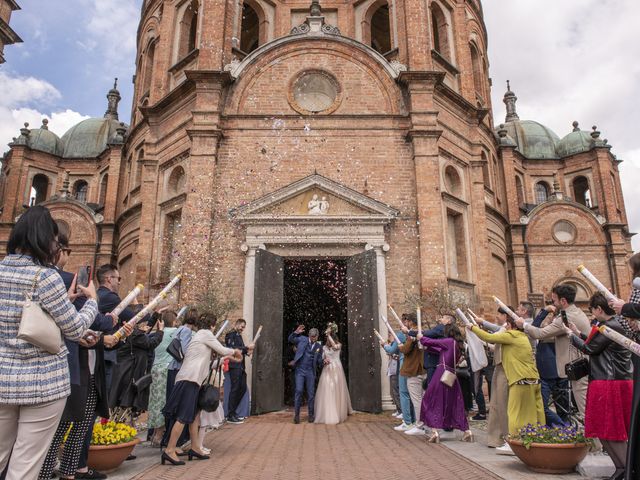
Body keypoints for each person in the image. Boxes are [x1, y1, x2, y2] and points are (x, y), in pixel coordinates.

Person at [0, 206, 99, 479]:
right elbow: (75, 327)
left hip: (2, 380)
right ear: (45, 240)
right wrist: (92, 301)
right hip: (42, 385)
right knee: (25, 464)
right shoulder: (45, 276)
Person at [38, 228, 130, 480]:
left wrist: (101, 335)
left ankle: (70, 471)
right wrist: (107, 318)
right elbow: (85, 323)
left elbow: (83, 329)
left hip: (87, 365)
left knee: (82, 419)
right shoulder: (65, 281)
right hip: (70, 367)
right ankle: (48, 473)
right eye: (67, 251)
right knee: (65, 423)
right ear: (59, 251)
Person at [567, 293, 633, 480]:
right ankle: (621, 468)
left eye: (593, 310)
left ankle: (625, 468)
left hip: (608, 382)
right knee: (604, 429)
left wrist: (571, 336)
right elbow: (596, 345)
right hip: (614, 379)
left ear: (599, 309)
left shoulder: (608, 327)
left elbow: (589, 349)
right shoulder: (618, 324)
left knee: (611, 428)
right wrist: (579, 334)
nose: (593, 314)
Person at [162, 313, 241, 465]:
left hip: (190, 379)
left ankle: (195, 447)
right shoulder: (205, 334)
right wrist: (236, 352)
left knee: (194, 416)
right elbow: (223, 350)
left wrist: (227, 358)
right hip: (189, 380)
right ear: (212, 325)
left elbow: (207, 364)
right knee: (184, 416)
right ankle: (170, 450)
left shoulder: (198, 336)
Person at [470, 312, 545, 454]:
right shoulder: (524, 337)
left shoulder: (512, 335)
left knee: (514, 413)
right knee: (534, 412)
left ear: (510, 326)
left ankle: (513, 442)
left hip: (519, 379)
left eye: (506, 326)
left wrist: (473, 327)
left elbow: (488, 336)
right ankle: (537, 438)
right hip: (534, 379)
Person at [516, 284, 591, 416]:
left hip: (578, 368)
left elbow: (540, 334)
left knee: (585, 408)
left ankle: (593, 436)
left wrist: (524, 325)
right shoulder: (577, 312)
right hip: (580, 366)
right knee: (582, 405)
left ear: (563, 301)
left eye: (554, 300)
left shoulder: (566, 318)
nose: (553, 303)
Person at [418, 317, 473, 443]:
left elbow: (432, 343)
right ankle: (467, 431)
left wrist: (421, 337)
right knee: (454, 403)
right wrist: (426, 345)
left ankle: (434, 431)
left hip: (441, 373)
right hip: (451, 376)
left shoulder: (448, 341)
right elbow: (439, 349)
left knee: (431, 399)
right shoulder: (456, 345)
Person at [477, 307, 510, 449]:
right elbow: (495, 344)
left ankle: (508, 438)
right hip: (499, 366)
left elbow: (492, 336)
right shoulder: (503, 329)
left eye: (499, 314)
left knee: (503, 403)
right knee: (496, 403)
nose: (496, 316)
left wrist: (474, 328)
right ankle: (496, 438)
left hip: (506, 368)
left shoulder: (510, 330)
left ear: (506, 316)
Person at [531, 303, 569, 427]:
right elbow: (534, 327)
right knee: (542, 405)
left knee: (562, 407)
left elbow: (534, 328)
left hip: (556, 373)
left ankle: (563, 427)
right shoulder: (549, 327)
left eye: (553, 315)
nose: (551, 318)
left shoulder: (559, 327)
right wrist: (545, 311)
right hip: (547, 372)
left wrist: (544, 311)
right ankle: (560, 426)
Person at [148, 310, 178, 446]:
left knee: (155, 401)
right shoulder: (175, 332)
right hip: (168, 369)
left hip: (155, 368)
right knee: (165, 402)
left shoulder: (157, 333)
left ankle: (155, 433)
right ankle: (160, 435)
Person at [314, 324, 352, 424]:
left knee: (336, 390)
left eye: (329, 339)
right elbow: (321, 358)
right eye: (327, 340)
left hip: (336, 370)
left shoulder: (338, 345)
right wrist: (324, 360)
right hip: (327, 370)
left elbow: (335, 347)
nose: (328, 341)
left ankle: (337, 412)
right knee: (327, 389)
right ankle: (327, 412)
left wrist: (328, 334)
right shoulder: (324, 348)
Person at [288, 325, 324, 424]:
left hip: (310, 372)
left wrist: (324, 361)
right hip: (300, 370)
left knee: (311, 394)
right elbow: (290, 339)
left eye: (315, 336)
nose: (313, 338)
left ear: (317, 336)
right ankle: (296, 415)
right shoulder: (302, 339)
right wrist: (296, 332)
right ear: (309, 335)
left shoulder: (319, 347)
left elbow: (319, 361)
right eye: (312, 336)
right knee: (299, 391)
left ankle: (311, 415)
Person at [399, 313, 427, 436]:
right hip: (423, 369)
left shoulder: (413, 333)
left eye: (407, 321)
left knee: (417, 399)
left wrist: (400, 346)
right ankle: (422, 423)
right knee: (421, 398)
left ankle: (420, 424)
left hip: (415, 369)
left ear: (410, 322)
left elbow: (406, 349)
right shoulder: (421, 332)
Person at [224, 319, 255, 424]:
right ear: (236, 324)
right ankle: (230, 414)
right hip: (234, 366)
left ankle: (232, 412)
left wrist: (247, 352)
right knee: (235, 389)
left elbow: (241, 350)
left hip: (241, 367)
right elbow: (233, 348)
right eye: (242, 326)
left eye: (244, 327)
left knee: (242, 388)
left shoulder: (239, 336)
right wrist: (247, 348)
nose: (243, 328)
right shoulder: (230, 335)